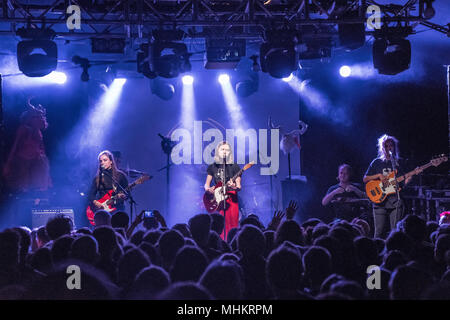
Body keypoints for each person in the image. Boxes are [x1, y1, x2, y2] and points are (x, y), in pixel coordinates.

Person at [363, 134, 411, 238]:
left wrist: (408, 179)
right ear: (382, 148)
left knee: (395, 233)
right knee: (378, 233)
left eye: (391, 146)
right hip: (379, 201)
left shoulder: (399, 162)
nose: (389, 148)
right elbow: (365, 179)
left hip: (395, 201)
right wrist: (378, 175)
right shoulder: (376, 162)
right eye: (386, 146)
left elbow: (403, 182)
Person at [2, 98, 52, 193]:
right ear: (32, 118)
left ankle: (35, 201)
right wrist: (8, 164)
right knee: (22, 187)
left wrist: (47, 172)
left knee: (36, 187)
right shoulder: (23, 129)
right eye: (38, 117)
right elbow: (15, 146)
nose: (41, 119)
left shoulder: (39, 132)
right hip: (23, 161)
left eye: (41, 117)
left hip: (37, 161)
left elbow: (42, 148)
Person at [204, 141, 242, 241]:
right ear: (218, 151)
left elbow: (239, 186)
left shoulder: (234, 166)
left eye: (227, 149)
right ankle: (217, 243)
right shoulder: (212, 167)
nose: (224, 151)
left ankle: (231, 243)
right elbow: (206, 184)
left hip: (231, 198)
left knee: (232, 224)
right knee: (218, 223)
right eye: (222, 149)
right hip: (218, 197)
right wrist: (208, 189)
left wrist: (234, 186)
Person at [87, 150, 129, 225]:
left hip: (118, 209)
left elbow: (127, 193)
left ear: (111, 161)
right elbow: (91, 195)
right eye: (100, 161)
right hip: (103, 210)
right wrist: (96, 202)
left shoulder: (120, 176)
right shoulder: (97, 178)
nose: (102, 162)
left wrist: (123, 196)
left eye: (105, 160)